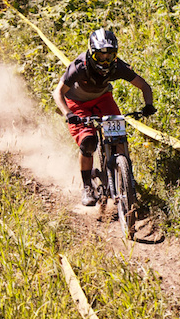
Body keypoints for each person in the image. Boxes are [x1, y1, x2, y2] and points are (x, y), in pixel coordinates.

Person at [52, 28, 155, 206]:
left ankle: (124, 178)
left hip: (103, 99)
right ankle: (87, 187)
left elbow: (144, 85)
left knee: (118, 138)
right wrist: (68, 114)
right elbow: (58, 92)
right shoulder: (79, 66)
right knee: (89, 142)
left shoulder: (118, 66)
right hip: (77, 103)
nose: (106, 61)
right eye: (101, 56)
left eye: (110, 56)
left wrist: (148, 105)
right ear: (92, 54)